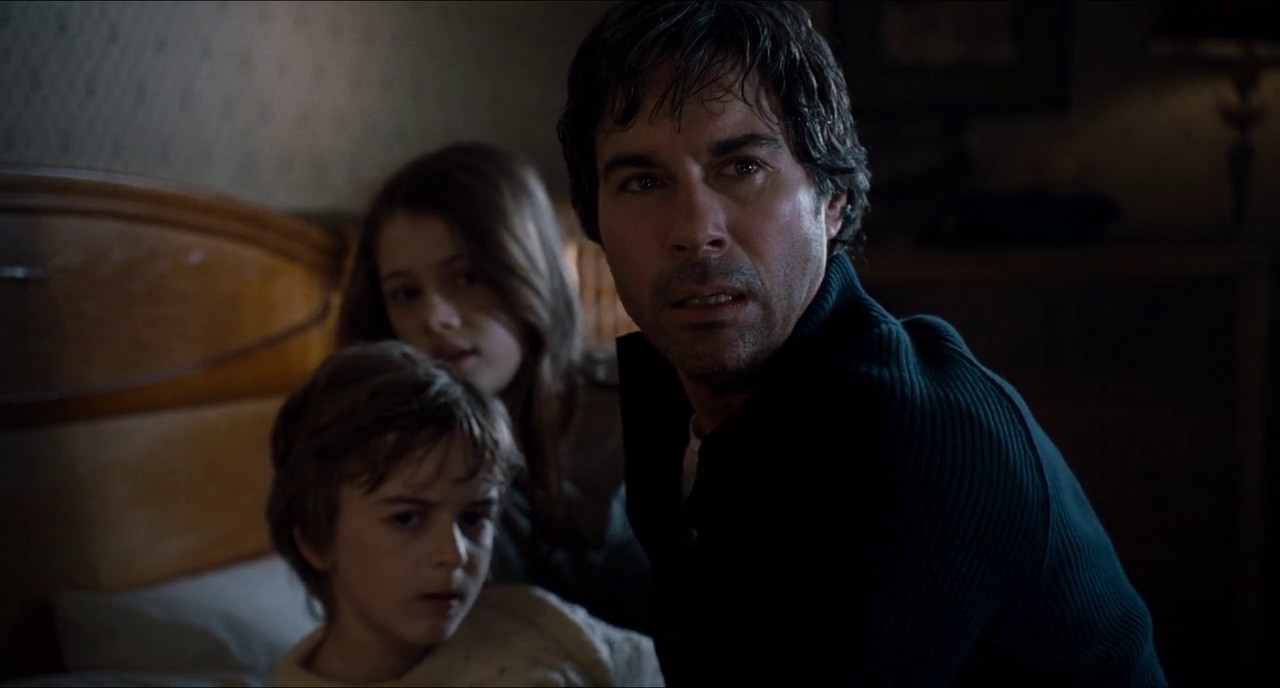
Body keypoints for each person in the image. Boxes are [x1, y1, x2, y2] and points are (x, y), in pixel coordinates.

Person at [556, 1, 1167, 685]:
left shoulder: (917, 437)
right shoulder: (670, 400)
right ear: (597, 224)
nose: (695, 230)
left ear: (833, 201)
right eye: (643, 182)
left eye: (742, 167)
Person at [333, 142, 653, 633]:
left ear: (527, 268)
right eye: (406, 294)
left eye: (466, 277)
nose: (435, 317)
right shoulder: (393, 454)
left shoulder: (643, 404)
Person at [265, 340, 664, 686]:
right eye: (407, 518)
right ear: (315, 538)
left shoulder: (527, 617)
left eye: (473, 518)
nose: (454, 554)